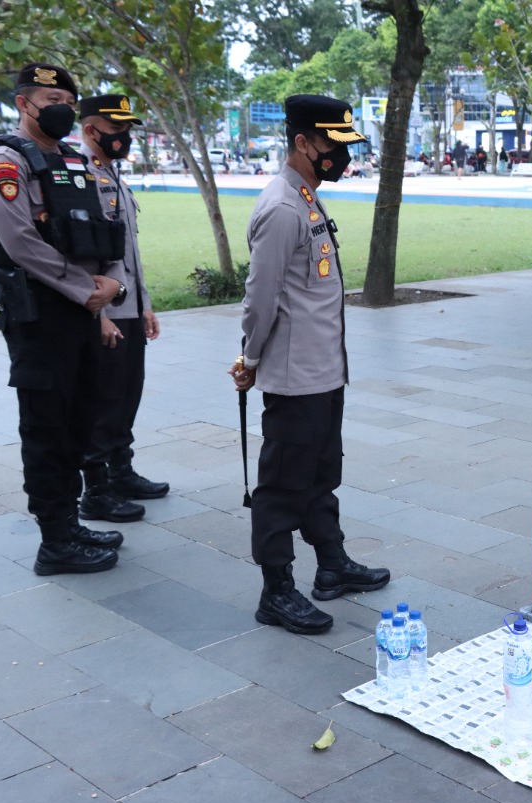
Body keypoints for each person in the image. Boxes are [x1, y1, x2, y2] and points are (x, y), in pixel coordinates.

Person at [228, 94, 391, 635]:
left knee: (323, 474)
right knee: (281, 486)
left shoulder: (306, 197)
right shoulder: (281, 207)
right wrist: (249, 358)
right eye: (332, 145)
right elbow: (261, 297)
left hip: (324, 371)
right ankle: (276, 590)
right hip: (295, 378)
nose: (341, 156)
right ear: (302, 142)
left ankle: (332, 566)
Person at [0, 62, 128, 576]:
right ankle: (54, 540)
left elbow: (106, 225)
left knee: (82, 417)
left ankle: (71, 523)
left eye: (67, 96)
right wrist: (86, 289)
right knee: (47, 426)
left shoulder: (72, 160)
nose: (61, 105)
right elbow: (19, 243)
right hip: (40, 317)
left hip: (83, 310)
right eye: (50, 97)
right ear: (23, 103)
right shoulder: (4, 164)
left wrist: (111, 281)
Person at [75, 93, 169, 525]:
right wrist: (101, 316)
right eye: (116, 130)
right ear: (91, 130)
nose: (125, 137)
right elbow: (85, 258)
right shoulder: (77, 175)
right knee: (104, 398)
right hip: (105, 307)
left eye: (127, 129)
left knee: (128, 391)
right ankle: (96, 489)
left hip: (128, 304)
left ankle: (122, 471)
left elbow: (129, 251)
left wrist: (144, 305)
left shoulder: (113, 174)